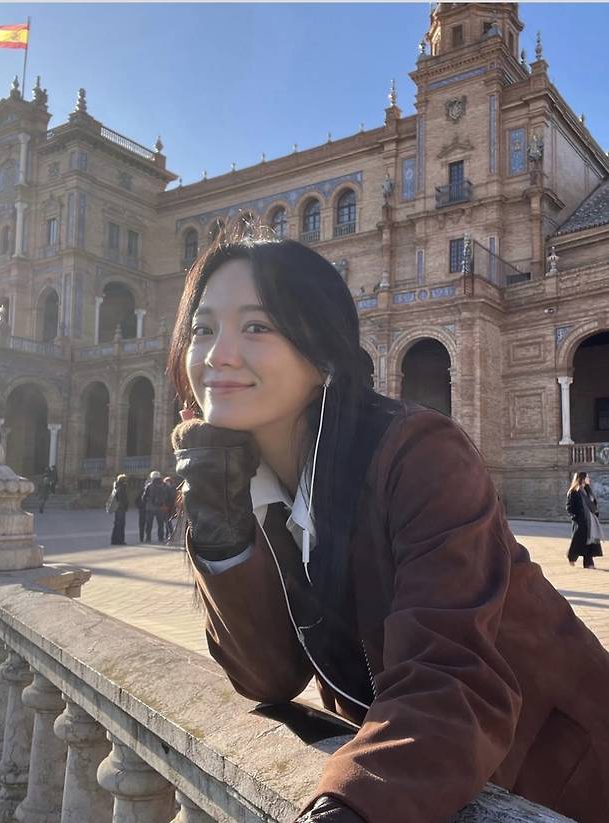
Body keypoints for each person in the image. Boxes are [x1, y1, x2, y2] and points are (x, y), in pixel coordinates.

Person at [168, 232, 609, 823]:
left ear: (322, 351)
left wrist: (352, 806)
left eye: (257, 327)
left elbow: (453, 674)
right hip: (432, 774)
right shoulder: (248, 482)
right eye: (202, 329)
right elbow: (269, 676)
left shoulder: (421, 453)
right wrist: (219, 521)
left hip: (564, 773)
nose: (217, 354)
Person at [566, 472, 604, 569]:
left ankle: (589, 563)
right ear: (582, 478)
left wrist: (595, 513)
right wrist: (576, 517)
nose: (589, 479)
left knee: (590, 540)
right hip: (581, 520)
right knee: (578, 541)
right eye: (587, 477)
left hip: (591, 519)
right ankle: (571, 556)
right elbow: (569, 507)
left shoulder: (588, 490)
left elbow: (593, 504)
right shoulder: (574, 492)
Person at [143, 470, 166, 543]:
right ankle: (161, 538)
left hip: (150, 507)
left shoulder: (149, 485)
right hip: (160, 507)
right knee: (160, 524)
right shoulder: (163, 485)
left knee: (149, 524)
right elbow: (167, 495)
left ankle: (148, 538)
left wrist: (146, 502)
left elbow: (144, 497)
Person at [109, 473, 128, 546]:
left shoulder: (117, 486)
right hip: (121, 508)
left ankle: (114, 540)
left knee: (117, 524)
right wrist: (125, 506)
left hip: (118, 508)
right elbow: (121, 499)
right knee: (121, 524)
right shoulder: (121, 488)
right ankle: (120, 540)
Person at [162, 476, 178, 543]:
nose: (167, 483)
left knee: (168, 521)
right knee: (167, 522)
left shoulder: (172, 488)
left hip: (170, 507)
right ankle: (168, 535)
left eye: (168, 482)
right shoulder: (168, 488)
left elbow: (171, 498)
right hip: (168, 507)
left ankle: (171, 535)